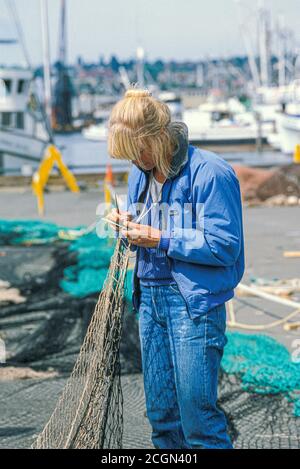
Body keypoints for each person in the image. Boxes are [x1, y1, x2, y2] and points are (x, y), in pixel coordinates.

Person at [106, 88, 245, 449]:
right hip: (149, 300)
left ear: (155, 138)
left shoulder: (211, 172)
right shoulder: (141, 172)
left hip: (193, 305)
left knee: (199, 422)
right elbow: (143, 233)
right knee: (163, 420)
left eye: (137, 152)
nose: (134, 162)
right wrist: (125, 228)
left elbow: (224, 246)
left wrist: (161, 238)